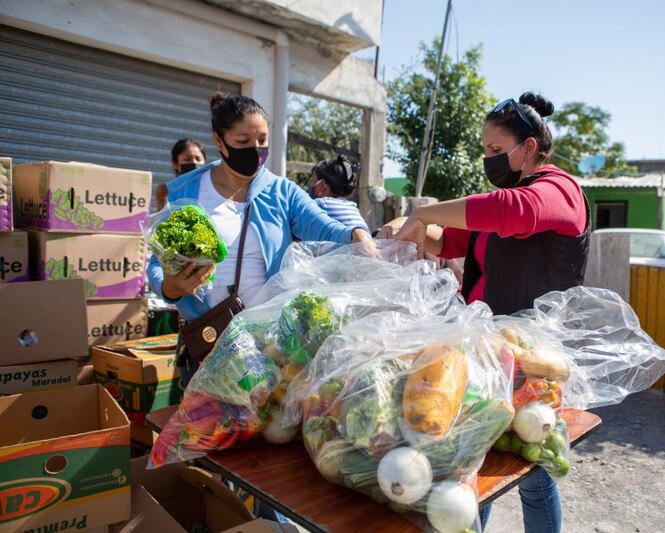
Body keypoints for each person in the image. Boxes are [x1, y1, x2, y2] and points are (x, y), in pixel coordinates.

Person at [382, 92, 590, 533]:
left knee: (530, 474)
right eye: (486, 151)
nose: (489, 160)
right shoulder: (502, 201)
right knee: (472, 463)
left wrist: (424, 211)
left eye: (497, 151)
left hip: (531, 362)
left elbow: (514, 214)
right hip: (485, 355)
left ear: (528, 148)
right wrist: (412, 231)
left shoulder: (559, 191)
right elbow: (449, 240)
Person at [148, 92, 374, 373]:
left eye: (263, 141)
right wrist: (170, 287)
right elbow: (158, 262)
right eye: (243, 142)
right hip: (208, 343)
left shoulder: (282, 191)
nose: (255, 150)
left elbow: (325, 228)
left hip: (271, 345)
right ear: (219, 141)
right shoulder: (185, 190)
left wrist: (356, 234)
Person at [307, 154, 369, 231]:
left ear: (323, 186)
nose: (311, 186)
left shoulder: (319, 205)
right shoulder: (352, 208)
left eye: (313, 181)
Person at [155, 139, 208, 211]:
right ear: (175, 164)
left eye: (198, 159)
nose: (194, 162)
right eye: (187, 159)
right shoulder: (166, 191)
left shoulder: (214, 188)